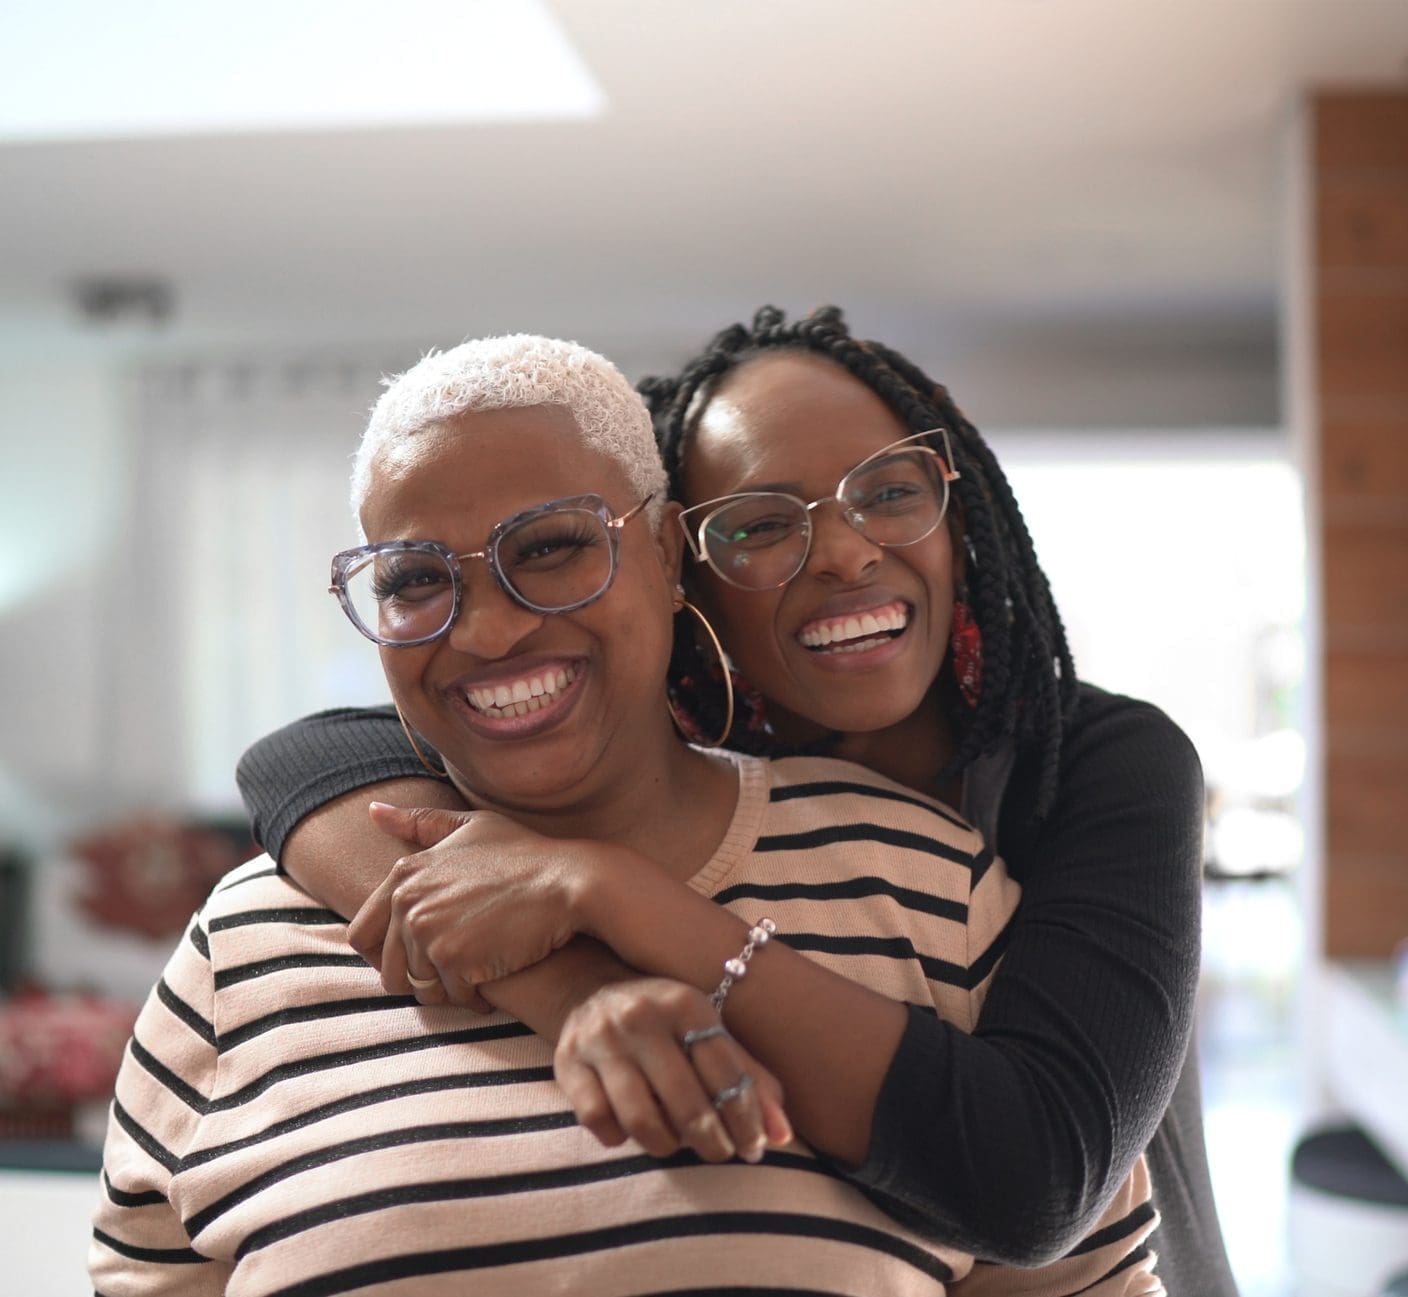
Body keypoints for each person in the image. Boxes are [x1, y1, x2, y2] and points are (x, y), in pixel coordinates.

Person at [91, 334, 1162, 1296]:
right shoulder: (251, 940)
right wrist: (572, 988)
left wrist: (604, 894)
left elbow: (1060, 1230)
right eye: (415, 578)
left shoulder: (931, 882)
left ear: (664, 553)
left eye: (550, 546)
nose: (488, 631)